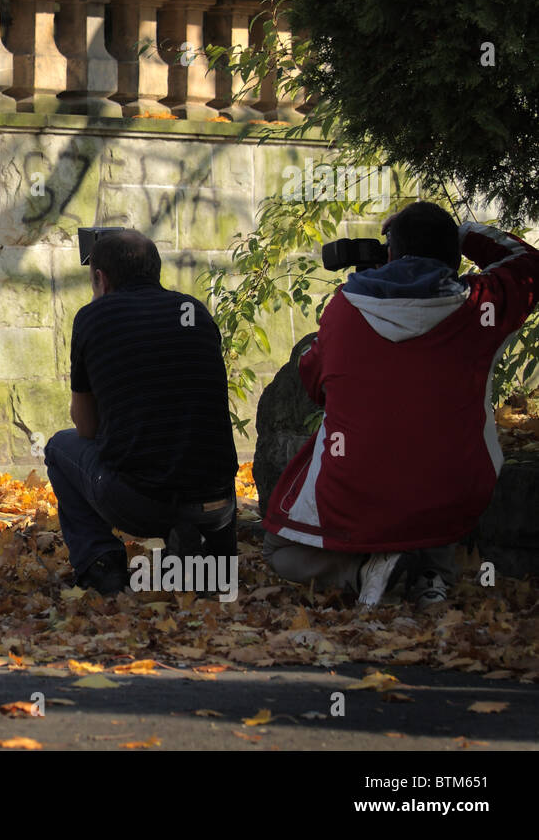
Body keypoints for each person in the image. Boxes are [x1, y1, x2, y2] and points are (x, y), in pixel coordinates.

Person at [261, 202, 539, 609]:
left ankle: (363, 573)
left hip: (353, 494)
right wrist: (458, 234)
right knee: (437, 452)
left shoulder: (344, 310)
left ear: (390, 253)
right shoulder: (481, 305)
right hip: (457, 493)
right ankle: (432, 577)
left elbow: (314, 382)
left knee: (276, 550)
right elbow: (529, 264)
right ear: (452, 256)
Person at [44, 230, 239, 595]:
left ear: (100, 278)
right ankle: (206, 563)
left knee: (59, 447)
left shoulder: (93, 317)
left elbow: (85, 426)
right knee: (191, 452)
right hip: (219, 502)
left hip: (141, 503)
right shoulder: (193, 310)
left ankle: (102, 566)